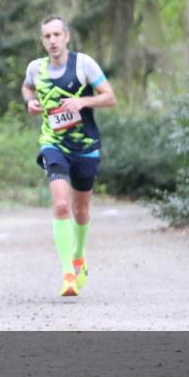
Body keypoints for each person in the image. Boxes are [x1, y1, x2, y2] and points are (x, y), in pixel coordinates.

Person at [22, 15, 116, 297]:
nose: (52, 41)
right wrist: (30, 101)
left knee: (81, 210)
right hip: (53, 144)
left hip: (86, 147)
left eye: (56, 35)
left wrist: (83, 101)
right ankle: (68, 275)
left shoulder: (83, 64)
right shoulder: (35, 68)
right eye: (46, 37)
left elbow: (110, 97)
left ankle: (78, 254)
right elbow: (27, 86)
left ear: (66, 37)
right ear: (42, 41)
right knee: (62, 205)